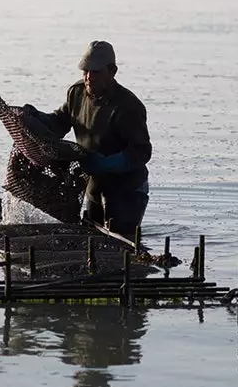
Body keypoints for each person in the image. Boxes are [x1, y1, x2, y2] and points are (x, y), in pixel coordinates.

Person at [22, 40, 151, 239]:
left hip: (128, 190)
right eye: (85, 71)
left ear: (112, 71)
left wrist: (109, 163)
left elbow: (142, 151)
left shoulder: (128, 106)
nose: (89, 77)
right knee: (93, 241)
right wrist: (38, 119)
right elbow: (60, 122)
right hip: (94, 184)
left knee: (123, 244)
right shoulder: (77, 93)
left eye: (96, 72)